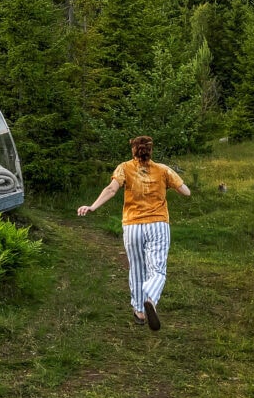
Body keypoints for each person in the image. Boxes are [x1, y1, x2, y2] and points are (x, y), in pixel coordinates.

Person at [78, 135, 190, 331]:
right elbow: (186, 192)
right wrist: (171, 185)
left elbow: (111, 189)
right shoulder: (163, 170)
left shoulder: (124, 168)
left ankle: (139, 311)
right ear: (150, 150)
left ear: (133, 150)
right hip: (157, 225)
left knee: (137, 267)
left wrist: (92, 207)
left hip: (132, 226)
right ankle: (151, 299)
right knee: (157, 269)